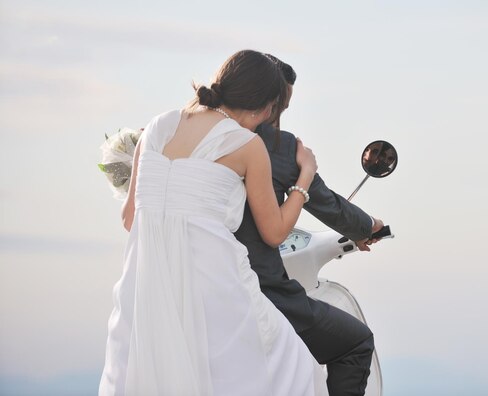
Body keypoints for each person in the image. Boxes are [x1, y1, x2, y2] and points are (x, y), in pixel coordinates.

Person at [99, 50, 329, 396]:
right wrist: (305, 177)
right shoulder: (248, 145)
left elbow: (130, 219)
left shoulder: (159, 126)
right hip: (214, 286)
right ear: (263, 107)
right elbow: (274, 232)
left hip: (147, 284)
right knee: (294, 368)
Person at [234, 55, 384, 396]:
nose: (277, 116)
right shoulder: (278, 146)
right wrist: (369, 226)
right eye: (278, 105)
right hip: (260, 285)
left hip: (197, 277)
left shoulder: (197, 139)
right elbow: (326, 202)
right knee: (356, 343)